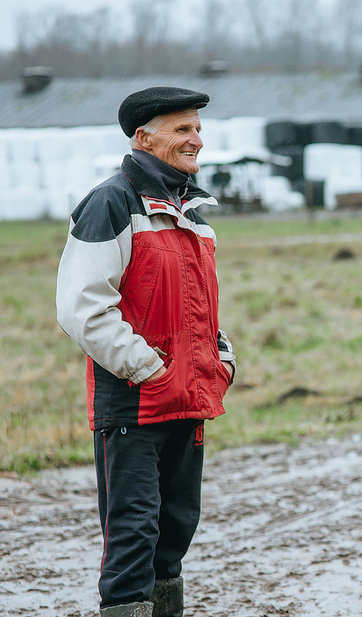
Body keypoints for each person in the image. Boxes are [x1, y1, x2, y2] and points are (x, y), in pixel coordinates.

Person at [56, 86, 236, 617]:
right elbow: (81, 308)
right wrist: (149, 368)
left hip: (189, 399)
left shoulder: (192, 211)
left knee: (174, 537)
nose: (196, 140)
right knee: (132, 543)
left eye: (197, 129)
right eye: (182, 129)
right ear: (144, 137)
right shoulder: (110, 202)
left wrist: (221, 360)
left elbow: (202, 308)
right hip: (136, 402)